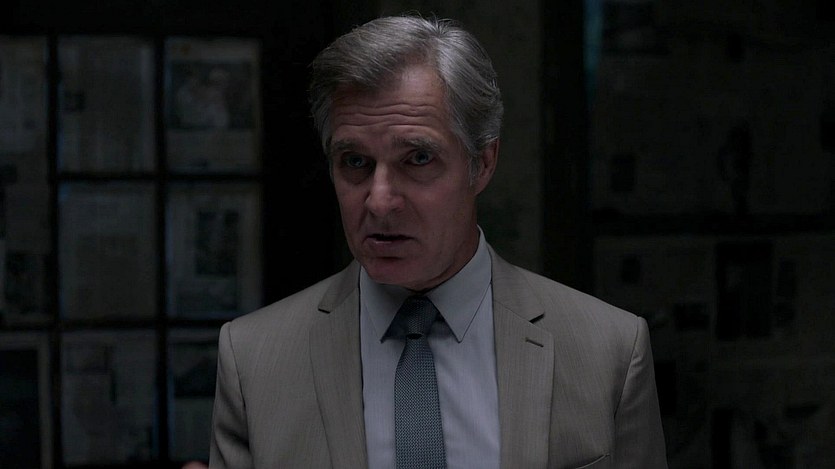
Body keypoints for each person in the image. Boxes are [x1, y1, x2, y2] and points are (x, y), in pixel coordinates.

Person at [209, 14, 667, 469]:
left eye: (418, 158)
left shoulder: (607, 351)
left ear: (482, 163)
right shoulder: (254, 359)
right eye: (355, 162)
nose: (379, 201)